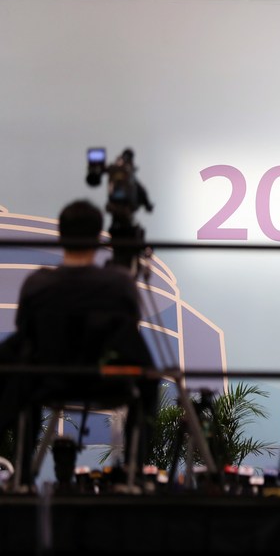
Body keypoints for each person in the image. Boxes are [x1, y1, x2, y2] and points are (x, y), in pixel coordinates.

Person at [0, 199, 159, 487]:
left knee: (21, 367)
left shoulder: (38, 285)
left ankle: (22, 474)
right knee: (146, 375)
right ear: (99, 239)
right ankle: (135, 469)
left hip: (47, 383)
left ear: (61, 237)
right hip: (107, 384)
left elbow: (25, 333)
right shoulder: (118, 285)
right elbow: (129, 332)